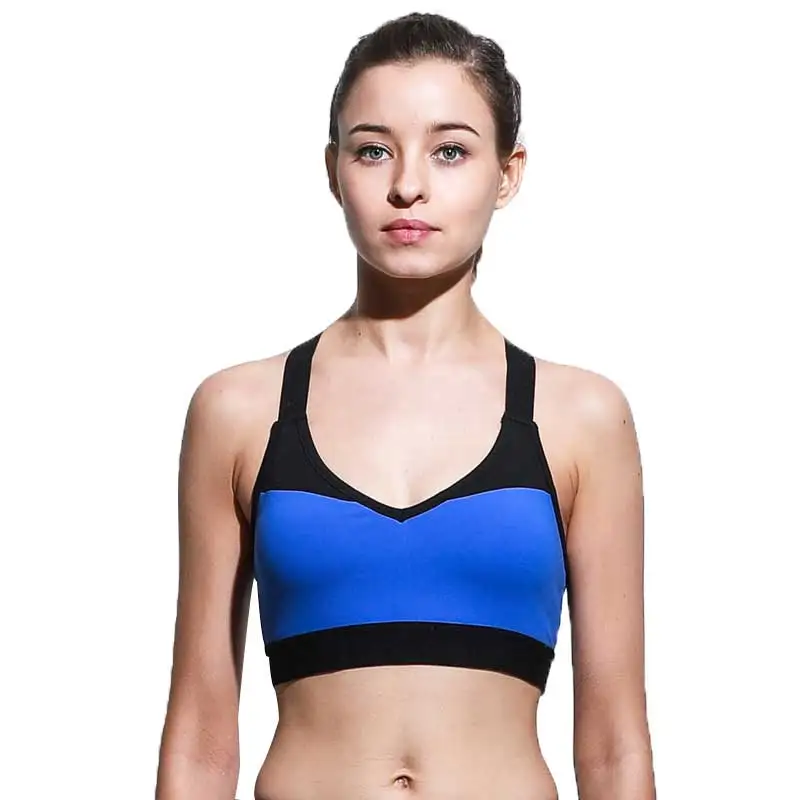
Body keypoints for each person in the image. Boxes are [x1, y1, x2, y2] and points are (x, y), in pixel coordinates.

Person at [156, 12, 655, 800]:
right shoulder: (241, 411)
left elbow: (614, 747)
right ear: (333, 170)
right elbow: (199, 740)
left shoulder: (580, 419)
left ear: (508, 173)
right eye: (373, 149)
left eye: (450, 150)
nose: (408, 185)